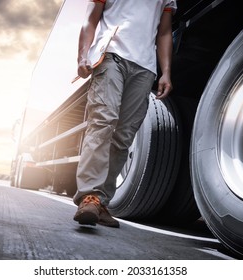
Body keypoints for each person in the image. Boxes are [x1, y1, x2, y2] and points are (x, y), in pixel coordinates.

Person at [73, 0, 176, 228]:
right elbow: (91, 19)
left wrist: (166, 72)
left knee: (123, 137)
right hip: (111, 55)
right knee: (103, 123)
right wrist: (82, 56)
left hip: (145, 67)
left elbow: (164, 32)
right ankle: (89, 197)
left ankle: (100, 202)